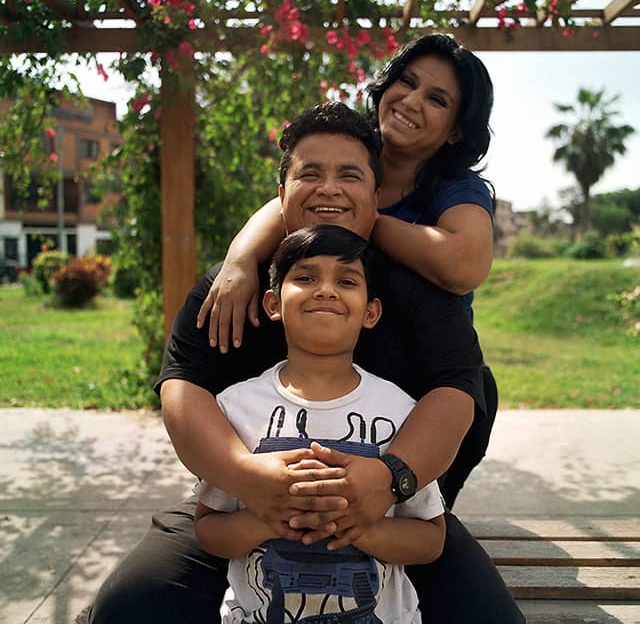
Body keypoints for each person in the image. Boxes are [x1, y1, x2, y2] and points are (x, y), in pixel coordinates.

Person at [89, 102, 523, 623]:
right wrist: (245, 477)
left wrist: (389, 480)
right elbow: (183, 387)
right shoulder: (232, 287)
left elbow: (456, 392)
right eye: (310, 174)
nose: (329, 189)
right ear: (281, 196)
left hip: (387, 510)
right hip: (243, 506)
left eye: (350, 175)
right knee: (127, 609)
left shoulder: (420, 290)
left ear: (376, 197)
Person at [196, 33, 497, 508]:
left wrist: (360, 218)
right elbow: (285, 204)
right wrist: (239, 260)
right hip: (329, 355)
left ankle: (420, 513)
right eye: (407, 81)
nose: (411, 101)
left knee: (417, 505)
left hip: (420, 368)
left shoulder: (455, 189)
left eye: (437, 99)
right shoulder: (350, 150)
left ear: (457, 131)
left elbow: (465, 262)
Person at [194, 224, 446, 622]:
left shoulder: (401, 411)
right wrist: (268, 519)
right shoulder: (236, 408)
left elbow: (430, 538)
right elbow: (208, 530)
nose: (326, 290)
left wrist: (357, 527)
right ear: (273, 304)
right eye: (306, 278)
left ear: (370, 312)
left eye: (346, 281)